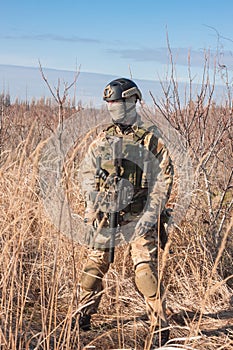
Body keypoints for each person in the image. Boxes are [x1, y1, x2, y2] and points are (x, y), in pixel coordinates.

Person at [77, 78, 174, 347]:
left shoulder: (151, 138)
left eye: (117, 103)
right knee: (93, 269)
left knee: (144, 272)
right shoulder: (102, 138)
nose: (113, 107)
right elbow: (87, 173)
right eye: (110, 103)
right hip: (107, 215)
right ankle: (82, 313)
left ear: (131, 102)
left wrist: (151, 214)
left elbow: (164, 179)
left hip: (139, 213)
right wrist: (93, 205)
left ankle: (158, 326)